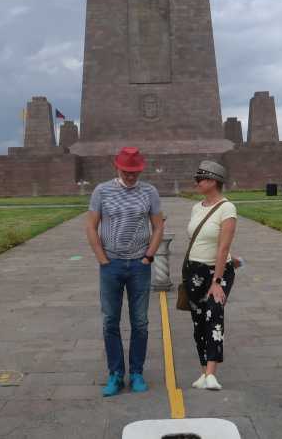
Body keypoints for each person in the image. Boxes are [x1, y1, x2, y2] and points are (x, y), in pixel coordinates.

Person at [86, 147, 164, 397]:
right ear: (117, 167)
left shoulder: (149, 191)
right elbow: (91, 225)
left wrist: (149, 256)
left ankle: (137, 372)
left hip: (139, 265)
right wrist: (103, 259)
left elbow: (158, 226)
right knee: (110, 321)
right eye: (127, 171)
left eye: (135, 172)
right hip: (112, 264)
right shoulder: (102, 191)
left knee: (140, 322)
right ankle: (116, 373)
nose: (131, 176)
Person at [186, 160, 237, 390]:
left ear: (214, 181)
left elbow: (223, 247)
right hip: (194, 271)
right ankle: (203, 371)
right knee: (198, 321)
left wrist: (216, 281)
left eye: (201, 179)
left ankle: (212, 373)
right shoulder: (197, 207)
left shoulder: (227, 208)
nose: (197, 183)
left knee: (214, 314)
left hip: (217, 272)